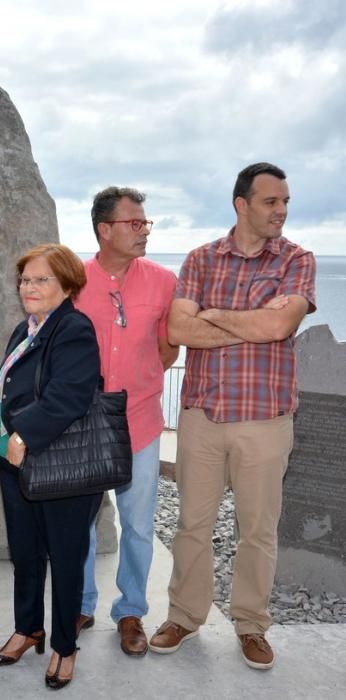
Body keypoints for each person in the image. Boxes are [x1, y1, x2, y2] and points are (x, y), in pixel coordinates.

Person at [150, 162, 316, 670]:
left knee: (258, 530)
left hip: (265, 418)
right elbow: (180, 330)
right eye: (271, 202)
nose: (281, 211)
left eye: (286, 201)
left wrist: (215, 315)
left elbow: (281, 324)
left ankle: (250, 625)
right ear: (241, 204)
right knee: (192, 525)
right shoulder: (200, 259)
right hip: (202, 414)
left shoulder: (297, 259)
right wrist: (255, 322)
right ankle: (184, 615)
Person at [0, 243, 102, 690]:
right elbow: (7, 381)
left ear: (67, 284)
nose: (29, 287)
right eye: (25, 280)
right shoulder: (26, 328)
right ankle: (28, 628)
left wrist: (23, 435)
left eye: (41, 279)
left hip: (62, 467)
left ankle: (65, 647)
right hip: (18, 464)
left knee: (67, 560)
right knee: (25, 555)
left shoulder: (73, 328)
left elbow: (68, 395)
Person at [74, 187, 178, 655]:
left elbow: (168, 344)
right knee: (80, 522)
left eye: (146, 224)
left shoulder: (162, 281)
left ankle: (131, 611)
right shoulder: (71, 278)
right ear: (104, 230)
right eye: (134, 224)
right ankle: (78, 604)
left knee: (138, 524)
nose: (144, 232)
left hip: (140, 421)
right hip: (84, 424)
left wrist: (141, 378)